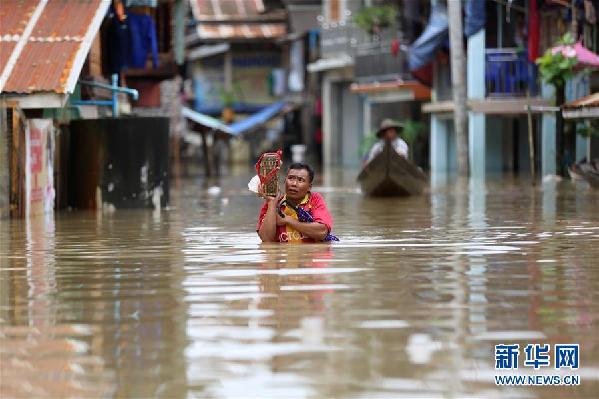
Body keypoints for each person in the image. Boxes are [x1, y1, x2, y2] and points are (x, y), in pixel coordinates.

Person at [257, 163, 334, 243]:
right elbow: (266, 240)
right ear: (285, 181)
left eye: (300, 180)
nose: (294, 184)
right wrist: (272, 204)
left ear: (309, 187)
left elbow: (322, 232)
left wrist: (288, 220)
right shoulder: (272, 203)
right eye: (290, 178)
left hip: (309, 255)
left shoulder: (314, 199)